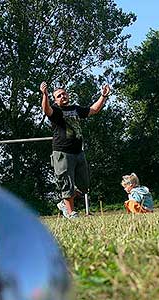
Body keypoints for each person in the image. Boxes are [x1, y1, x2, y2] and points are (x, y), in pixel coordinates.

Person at [40, 81, 110, 219]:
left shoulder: (76, 109)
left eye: (64, 94)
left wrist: (103, 96)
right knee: (66, 183)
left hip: (78, 152)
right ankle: (71, 212)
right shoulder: (56, 111)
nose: (63, 96)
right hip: (62, 152)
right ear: (55, 99)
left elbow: (93, 110)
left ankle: (63, 203)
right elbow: (46, 110)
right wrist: (45, 95)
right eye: (59, 96)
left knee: (84, 185)